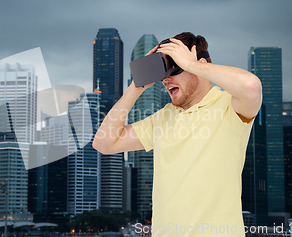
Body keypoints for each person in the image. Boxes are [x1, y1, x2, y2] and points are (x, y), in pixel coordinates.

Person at [93, 32, 262, 236]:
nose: (166, 79)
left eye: (174, 68)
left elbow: (252, 87)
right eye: (163, 72)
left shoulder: (229, 107)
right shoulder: (162, 117)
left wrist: (193, 65)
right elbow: (104, 143)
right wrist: (135, 87)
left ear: (199, 64)